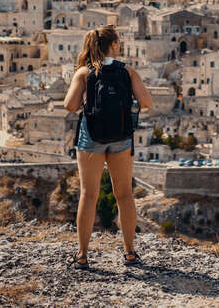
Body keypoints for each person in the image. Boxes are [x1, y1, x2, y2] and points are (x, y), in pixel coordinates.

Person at [64, 25, 152, 269]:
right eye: (119, 42)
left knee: (88, 194)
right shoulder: (127, 71)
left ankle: (82, 255)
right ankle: (130, 252)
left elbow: (69, 105)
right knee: (124, 194)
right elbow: (146, 101)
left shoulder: (84, 72)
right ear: (113, 45)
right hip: (121, 137)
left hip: (90, 136)